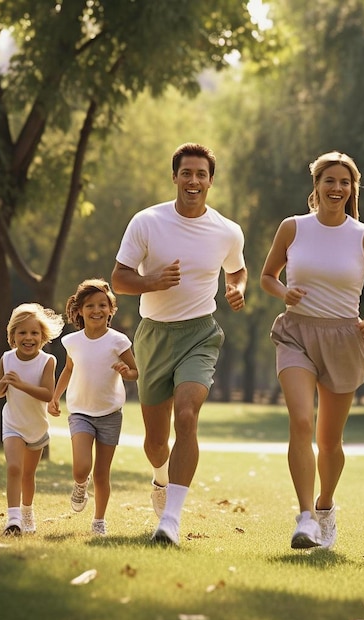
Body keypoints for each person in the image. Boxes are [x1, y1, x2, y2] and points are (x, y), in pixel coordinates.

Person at [111, 142, 248, 546]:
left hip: (200, 334)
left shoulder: (227, 231)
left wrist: (235, 289)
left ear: (210, 180)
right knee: (156, 445)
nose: (193, 181)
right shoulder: (147, 222)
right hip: (154, 334)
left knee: (186, 416)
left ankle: (170, 519)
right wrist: (151, 282)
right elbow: (119, 278)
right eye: (186, 173)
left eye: (201, 174)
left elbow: (237, 270)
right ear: (175, 177)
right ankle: (160, 478)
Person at [260, 151, 364, 550]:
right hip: (296, 333)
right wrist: (285, 291)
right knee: (301, 422)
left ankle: (325, 507)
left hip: (344, 339)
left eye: (344, 182)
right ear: (315, 186)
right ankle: (304, 519)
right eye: (329, 181)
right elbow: (268, 276)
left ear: (353, 189)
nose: (337, 188)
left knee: (329, 440)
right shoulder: (293, 228)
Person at [48, 279, 138, 537]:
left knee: (101, 473)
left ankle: (99, 521)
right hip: (80, 413)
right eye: (90, 305)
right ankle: (79, 484)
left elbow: (135, 372)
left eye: (102, 305)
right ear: (79, 310)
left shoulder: (118, 341)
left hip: (110, 414)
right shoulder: (73, 341)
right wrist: (55, 397)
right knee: (81, 467)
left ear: (111, 310)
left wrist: (126, 370)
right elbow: (68, 369)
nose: (96, 310)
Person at [0, 303, 65, 536]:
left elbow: (47, 394)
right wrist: (2, 384)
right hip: (13, 423)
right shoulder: (6, 358)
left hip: (37, 427)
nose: (28, 337)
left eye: (34, 333)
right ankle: (13, 520)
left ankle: (27, 511)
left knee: (28, 475)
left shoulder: (47, 361)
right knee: (14, 468)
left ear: (42, 336)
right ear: (13, 336)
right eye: (22, 332)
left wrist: (21, 385)